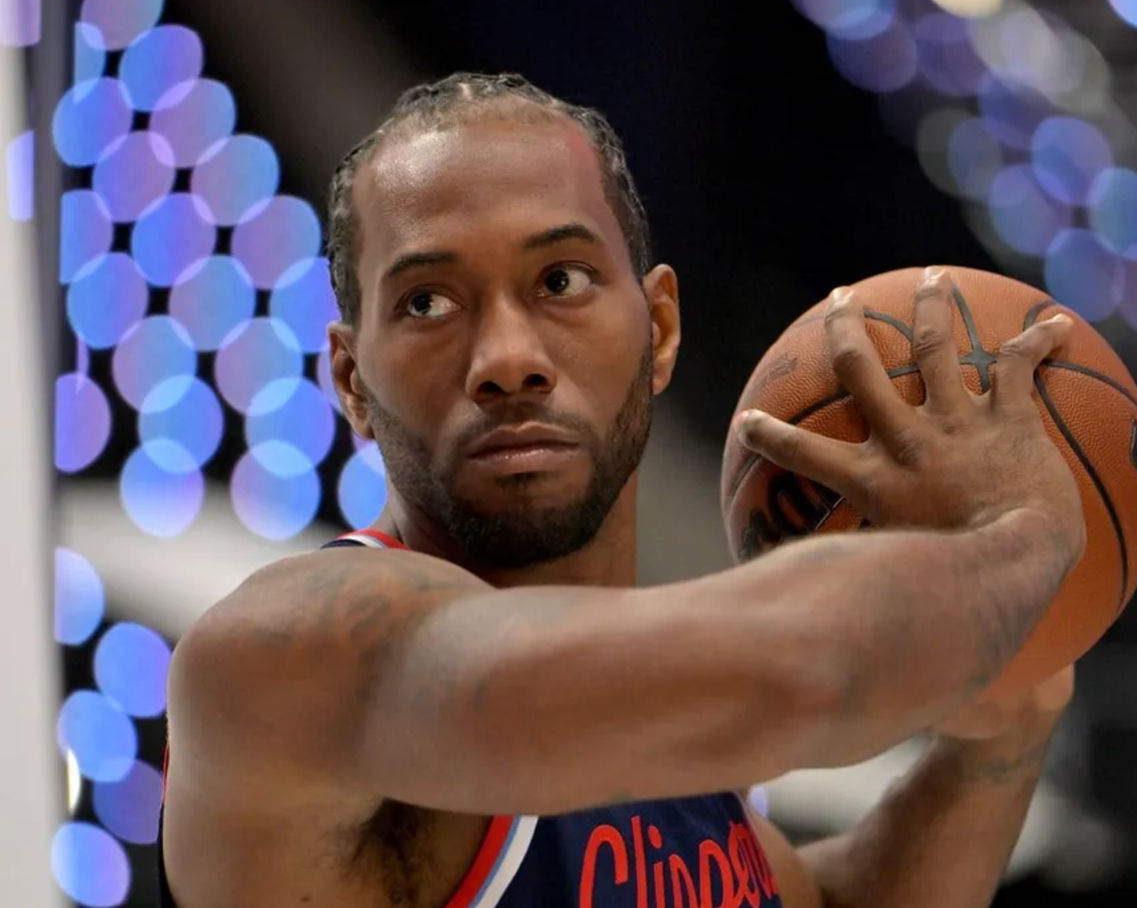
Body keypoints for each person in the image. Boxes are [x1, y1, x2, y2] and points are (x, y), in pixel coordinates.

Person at [158, 72, 1084, 908]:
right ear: (353, 381)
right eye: (427, 302)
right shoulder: (286, 654)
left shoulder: (674, 755)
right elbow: (798, 673)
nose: (508, 360)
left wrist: (998, 742)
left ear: (662, 332)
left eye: (560, 280)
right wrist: (1023, 533)